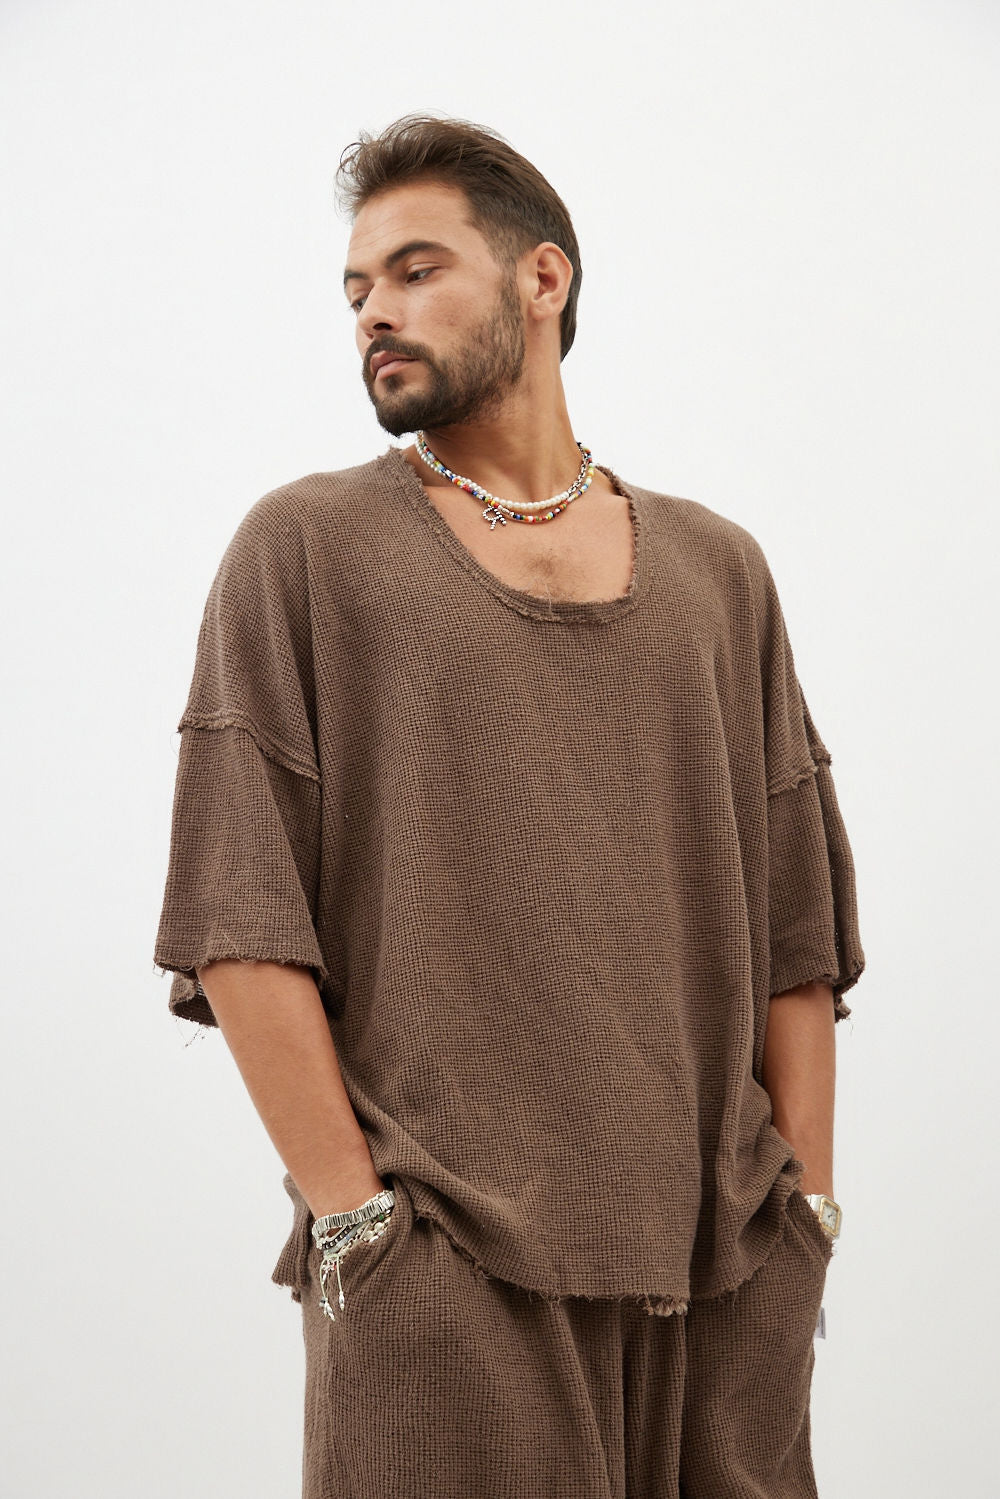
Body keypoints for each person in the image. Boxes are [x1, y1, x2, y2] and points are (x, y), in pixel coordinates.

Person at [153, 113, 865, 1499]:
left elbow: (796, 922)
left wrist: (807, 1223)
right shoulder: (307, 549)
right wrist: (358, 1222)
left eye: (416, 270)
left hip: (722, 1270)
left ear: (543, 279)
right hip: (445, 1270)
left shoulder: (719, 571)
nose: (375, 313)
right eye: (356, 290)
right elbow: (239, 909)